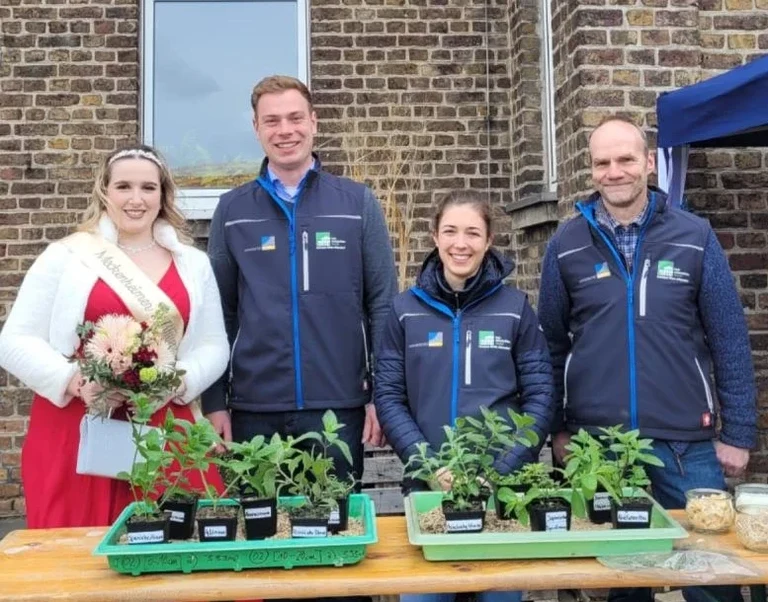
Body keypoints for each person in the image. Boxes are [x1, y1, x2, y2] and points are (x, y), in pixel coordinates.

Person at [538, 116, 757, 602]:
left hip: (686, 444)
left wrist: (738, 433)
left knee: (713, 577)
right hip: (599, 447)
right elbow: (548, 347)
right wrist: (557, 428)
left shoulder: (694, 236)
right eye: (602, 162)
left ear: (648, 162)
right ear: (590, 170)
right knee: (620, 581)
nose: (614, 171)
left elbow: (729, 339)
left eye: (625, 159)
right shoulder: (565, 246)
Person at [0, 144, 230, 529]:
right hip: (79, 424)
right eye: (124, 186)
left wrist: (178, 382)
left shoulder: (193, 264)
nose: (136, 199)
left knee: (184, 544)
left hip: (164, 423)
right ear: (105, 192)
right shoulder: (66, 257)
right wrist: (74, 381)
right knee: (79, 555)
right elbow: (14, 340)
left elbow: (214, 345)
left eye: (148, 188)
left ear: (163, 195)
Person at [202, 74, 398, 486]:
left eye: (295, 118)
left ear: (314, 121)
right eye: (271, 121)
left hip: (338, 406)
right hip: (253, 407)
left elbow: (381, 303)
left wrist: (382, 395)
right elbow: (219, 312)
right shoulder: (232, 210)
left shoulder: (356, 203)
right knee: (258, 534)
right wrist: (215, 401)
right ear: (256, 129)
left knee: (335, 531)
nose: (285, 130)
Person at [375, 190, 555, 602]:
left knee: (499, 595)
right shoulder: (405, 311)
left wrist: (499, 471)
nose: (461, 243)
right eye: (451, 231)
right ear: (435, 237)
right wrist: (431, 465)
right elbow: (389, 397)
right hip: (428, 487)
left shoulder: (515, 309)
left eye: (473, 233)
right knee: (425, 597)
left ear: (489, 241)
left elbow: (541, 397)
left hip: (499, 489)